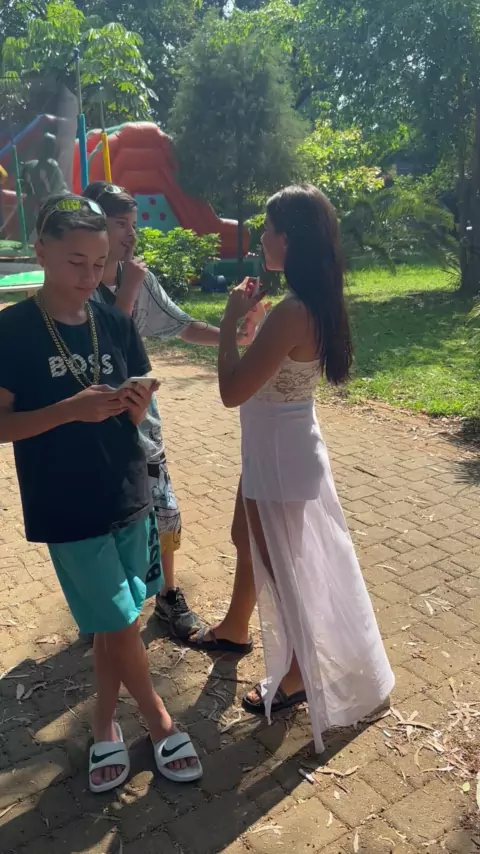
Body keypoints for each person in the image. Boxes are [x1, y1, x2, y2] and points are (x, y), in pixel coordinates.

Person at [0, 194, 202, 791]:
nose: (90, 276)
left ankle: (104, 721)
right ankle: (160, 721)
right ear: (40, 251)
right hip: (65, 501)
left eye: (98, 263)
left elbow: (140, 390)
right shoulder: (12, 329)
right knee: (117, 619)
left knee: (114, 620)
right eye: (75, 262)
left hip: (126, 487)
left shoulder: (112, 319)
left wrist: (136, 404)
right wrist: (68, 410)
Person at [193, 185, 394, 753]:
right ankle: (237, 628)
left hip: (280, 456)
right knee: (246, 537)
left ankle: (300, 673)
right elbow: (272, 370)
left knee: (283, 570)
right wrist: (253, 329)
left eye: (268, 229)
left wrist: (230, 324)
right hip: (279, 447)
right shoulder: (306, 302)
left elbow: (232, 391)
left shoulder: (293, 310)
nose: (261, 238)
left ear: (290, 238)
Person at [82, 181, 257, 639]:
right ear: (94, 226)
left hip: (142, 418)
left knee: (160, 503)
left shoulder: (138, 278)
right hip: (92, 422)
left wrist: (233, 336)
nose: (131, 234)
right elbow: (106, 347)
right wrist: (128, 290)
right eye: (120, 224)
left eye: (133, 224)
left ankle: (168, 595)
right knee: (104, 514)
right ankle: (106, 606)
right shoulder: (76, 283)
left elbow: (180, 324)